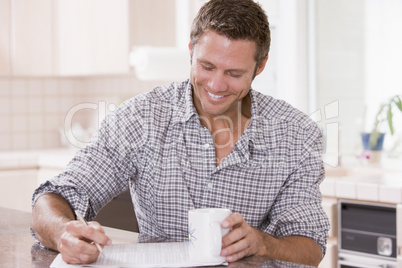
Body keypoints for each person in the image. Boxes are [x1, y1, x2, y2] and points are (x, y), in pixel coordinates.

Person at [31, 0, 329, 266]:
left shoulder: (297, 134)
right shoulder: (141, 117)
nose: (215, 85)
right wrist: (63, 234)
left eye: (234, 74)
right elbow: (55, 196)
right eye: (207, 66)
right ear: (191, 50)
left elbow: (310, 247)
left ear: (260, 66)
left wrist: (263, 243)